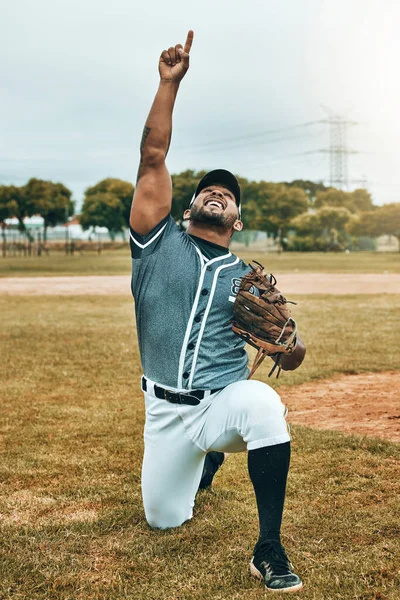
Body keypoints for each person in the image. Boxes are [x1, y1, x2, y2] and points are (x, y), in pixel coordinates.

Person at [129, 30, 306, 593]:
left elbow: (293, 356)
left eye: (227, 194)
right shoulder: (157, 244)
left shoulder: (246, 278)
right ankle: (202, 465)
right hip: (164, 412)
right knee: (164, 518)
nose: (217, 193)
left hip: (221, 401)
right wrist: (167, 85)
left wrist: (290, 344)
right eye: (208, 188)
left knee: (264, 406)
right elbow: (152, 154)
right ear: (188, 205)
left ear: (236, 219)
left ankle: (269, 547)